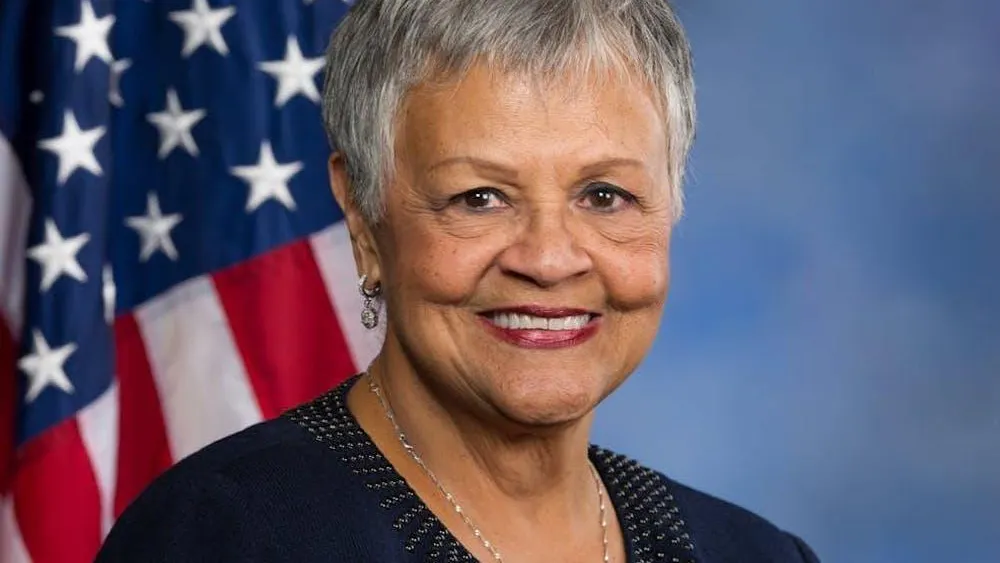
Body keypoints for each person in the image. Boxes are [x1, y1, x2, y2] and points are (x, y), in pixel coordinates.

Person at [97, 1, 820, 561]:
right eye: (479, 197)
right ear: (361, 212)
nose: (548, 258)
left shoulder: (751, 551)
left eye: (604, 195)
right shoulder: (223, 536)